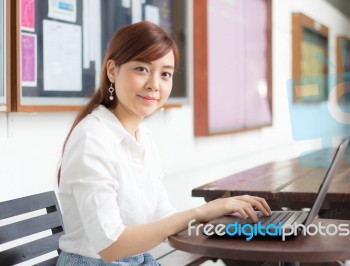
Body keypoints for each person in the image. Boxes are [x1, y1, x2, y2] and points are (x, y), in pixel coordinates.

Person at [56, 21, 271, 265]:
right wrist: (201, 212)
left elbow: (162, 215)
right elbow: (111, 245)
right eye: (141, 69)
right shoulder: (92, 138)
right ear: (112, 71)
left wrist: (224, 218)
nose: (154, 84)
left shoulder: (143, 137)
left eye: (165, 74)